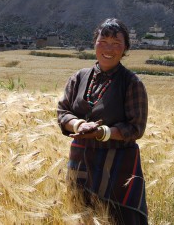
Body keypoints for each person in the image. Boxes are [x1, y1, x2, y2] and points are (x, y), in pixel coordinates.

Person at [57, 18, 148, 224]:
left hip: (118, 167)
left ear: (125, 49)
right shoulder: (79, 78)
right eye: (103, 41)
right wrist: (80, 125)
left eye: (116, 44)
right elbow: (63, 111)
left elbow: (136, 128)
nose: (109, 48)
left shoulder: (132, 83)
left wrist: (103, 133)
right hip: (81, 161)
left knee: (119, 218)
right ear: (94, 43)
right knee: (83, 215)